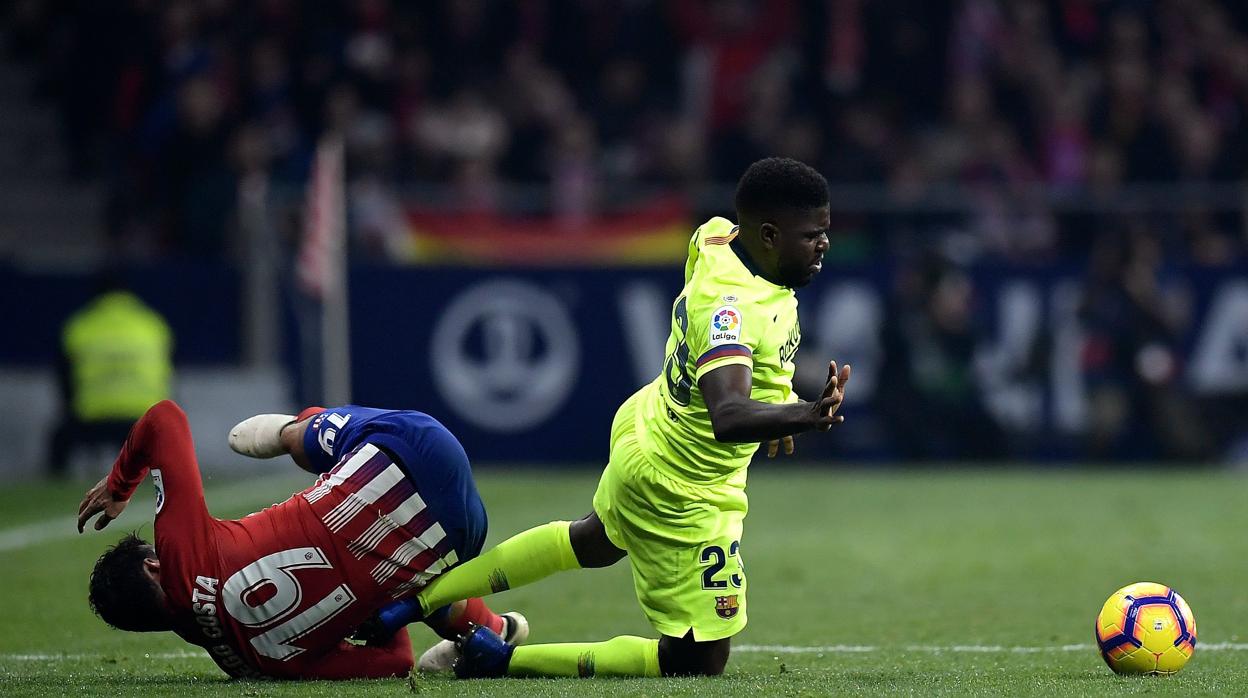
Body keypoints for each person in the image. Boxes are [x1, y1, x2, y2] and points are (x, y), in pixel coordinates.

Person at [401, 157, 851, 678]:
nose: (823, 244)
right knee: (698, 658)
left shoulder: (715, 238)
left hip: (649, 425)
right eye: (811, 235)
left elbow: (748, 363)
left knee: (593, 542)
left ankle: (420, 598)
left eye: (825, 232)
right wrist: (802, 415)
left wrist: (778, 406)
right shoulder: (732, 308)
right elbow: (727, 413)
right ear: (770, 235)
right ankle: (496, 661)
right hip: (682, 483)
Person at [76, 400, 528, 680]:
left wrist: (376, 616)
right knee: (301, 441)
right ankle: (297, 427)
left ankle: (490, 630)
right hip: (414, 450)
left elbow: (396, 664)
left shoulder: (256, 666)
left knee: (399, 586)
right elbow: (164, 419)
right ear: (153, 566)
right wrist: (121, 483)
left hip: (459, 536)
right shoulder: (179, 556)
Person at [47, 280, 172, 477]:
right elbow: (167, 373)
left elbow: (64, 378)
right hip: (143, 420)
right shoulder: (153, 325)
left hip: (93, 419)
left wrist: (72, 410)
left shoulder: (80, 326)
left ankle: (54, 487)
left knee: (59, 440)